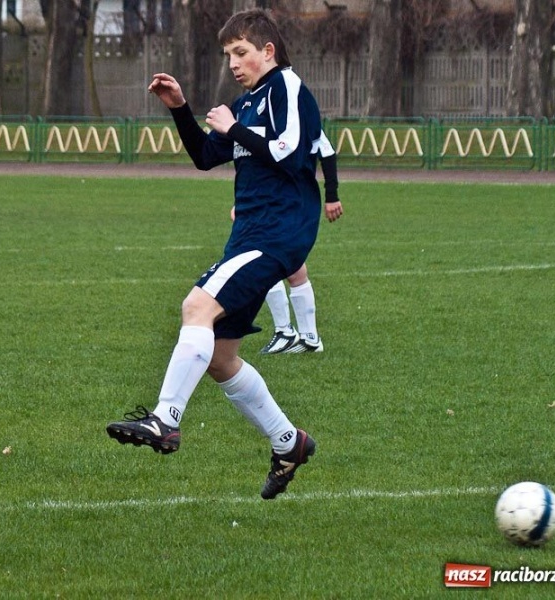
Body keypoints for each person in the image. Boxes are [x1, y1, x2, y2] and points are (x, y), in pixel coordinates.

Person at [107, 8, 322, 500]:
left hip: (277, 233)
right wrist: (180, 108)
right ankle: (289, 443)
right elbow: (207, 157)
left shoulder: (286, 88)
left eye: (241, 52)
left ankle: (166, 419)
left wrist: (233, 127)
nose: (234, 63)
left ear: (268, 51)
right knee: (221, 357)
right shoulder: (247, 104)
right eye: (229, 55)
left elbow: (288, 152)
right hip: (249, 234)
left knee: (196, 307)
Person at [259, 131, 343, 354]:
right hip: (269, 201)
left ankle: (287, 332)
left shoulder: (300, 111)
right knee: (288, 265)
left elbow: (327, 151)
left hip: (293, 203)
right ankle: (307, 337)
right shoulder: (265, 111)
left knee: (265, 259)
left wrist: (332, 195)